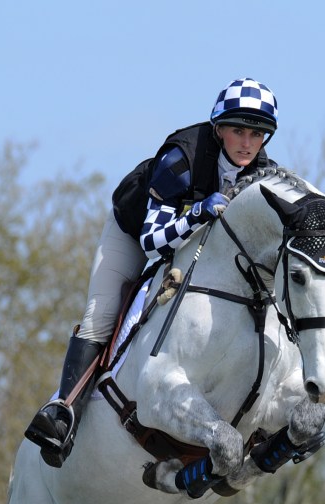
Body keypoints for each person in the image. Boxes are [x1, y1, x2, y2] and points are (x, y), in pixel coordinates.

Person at [25, 78, 279, 467]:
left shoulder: (264, 175)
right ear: (219, 130)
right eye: (238, 131)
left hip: (195, 247)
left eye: (257, 134)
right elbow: (152, 244)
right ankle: (64, 414)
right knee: (100, 315)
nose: (247, 143)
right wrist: (197, 213)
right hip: (134, 233)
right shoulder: (181, 160)